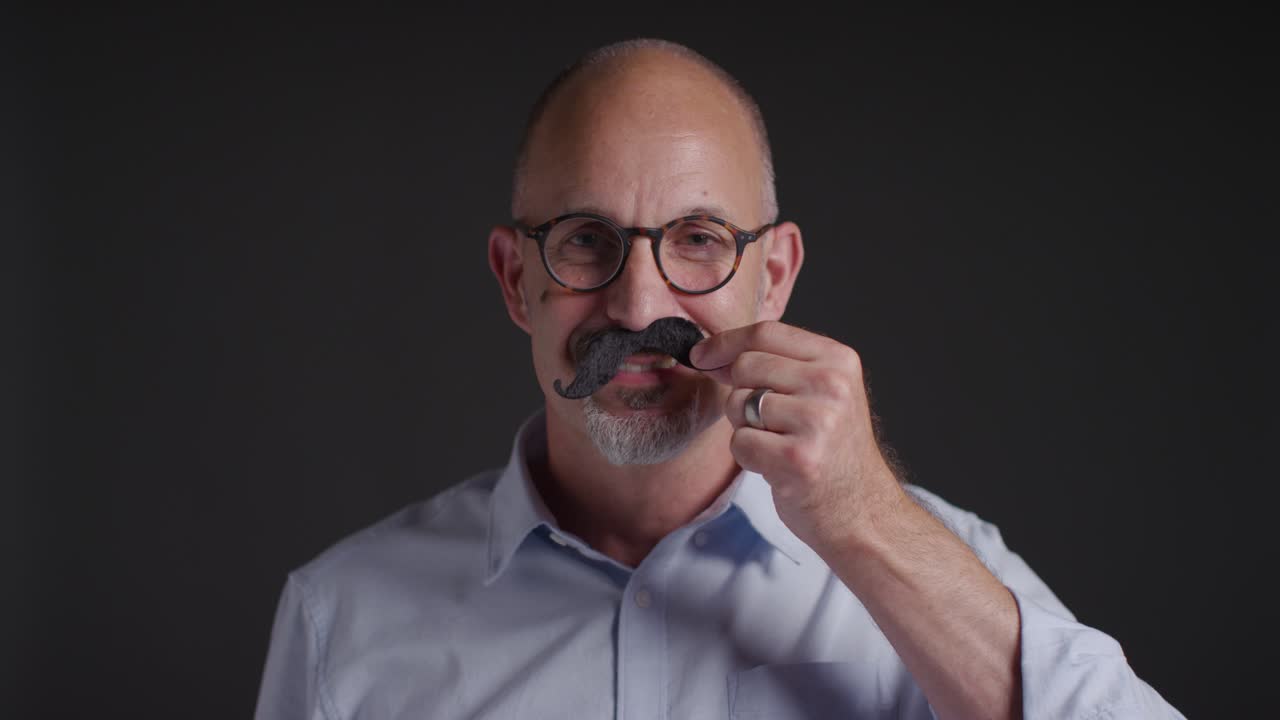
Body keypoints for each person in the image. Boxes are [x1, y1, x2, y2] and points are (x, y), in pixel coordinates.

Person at [253, 39, 1185, 719]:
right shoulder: (345, 620)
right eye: (586, 241)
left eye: (698, 241)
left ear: (773, 276)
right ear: (514, 278)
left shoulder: (942, 566)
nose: (635, 302)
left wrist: (864, 523)